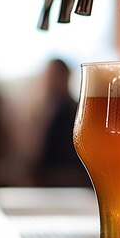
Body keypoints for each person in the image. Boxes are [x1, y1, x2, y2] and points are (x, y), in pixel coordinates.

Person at [31, 59, 90, 188]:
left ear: (66, 78)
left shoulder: (72, 111)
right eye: (49, 76)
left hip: (65, 184)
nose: (50, 81)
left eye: (55, 76)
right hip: (54, 183)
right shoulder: (47, 110)